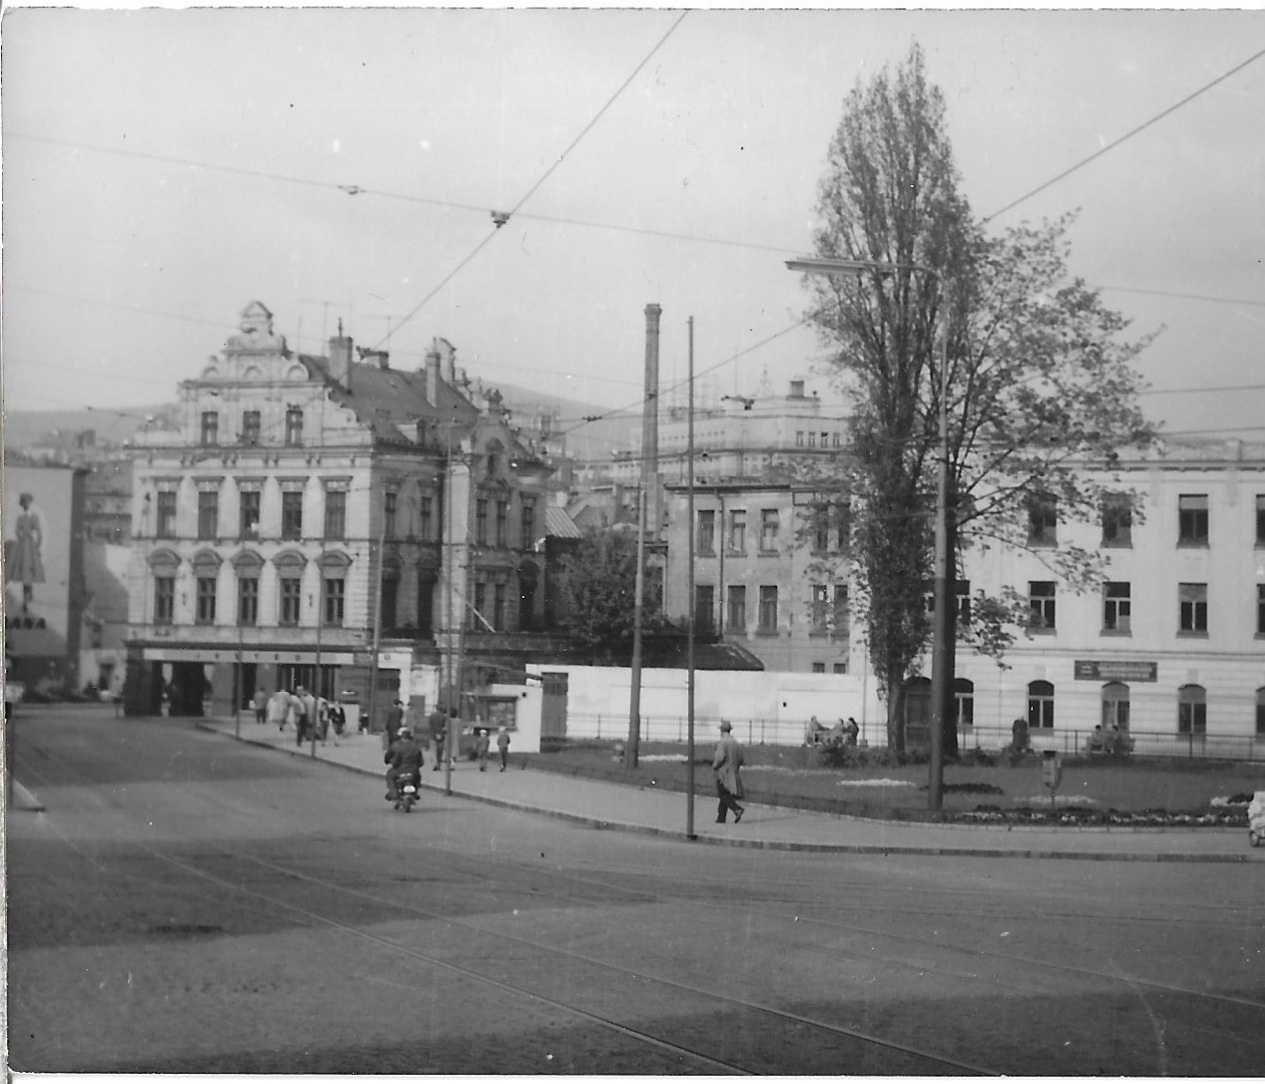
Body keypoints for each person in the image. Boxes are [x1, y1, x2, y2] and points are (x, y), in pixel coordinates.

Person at [8, 492, 46, 613]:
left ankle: (28, 597)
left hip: (30, 547)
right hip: (22, 547)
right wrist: (21, 535)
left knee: (29, 572)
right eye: (23, 503)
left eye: (27, 502)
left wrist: (38, 543)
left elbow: (39, 531)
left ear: (30, 503)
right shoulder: (20, 518)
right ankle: (25, 599)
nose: (25, 505)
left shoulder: (34, 517)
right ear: (22, 504)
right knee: (23, 573)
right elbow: (17, 530)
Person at [712, 720, 745, 824]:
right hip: (734, 772)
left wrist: (715, 766)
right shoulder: (736, 743)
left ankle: (737, 809)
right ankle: (721, 818)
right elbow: (741, 760)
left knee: (722, 794)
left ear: (722, 730)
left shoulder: (722, 743)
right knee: (725, 794)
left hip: (723, 773)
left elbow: (720, 757)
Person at [384, 725, 424, 802]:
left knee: (389, 776)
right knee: (418, 777)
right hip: (413, 770)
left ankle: (393, 793)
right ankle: (415, 792)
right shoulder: (416, 746)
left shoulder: (398, 746)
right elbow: (421, 762)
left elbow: (395, 760)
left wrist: (391, 763)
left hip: (400, 770)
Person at [428, 705, 447, 770]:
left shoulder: (431, 716)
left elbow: (430, 726)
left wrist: (435, 733)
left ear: (436, 709)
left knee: (433, 750)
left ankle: (435, 764)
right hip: (441, 736)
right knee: (440, 751)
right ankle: (439, 765)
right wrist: (441, 733)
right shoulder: (444, 717)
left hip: (432, 735)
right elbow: (445, 727)